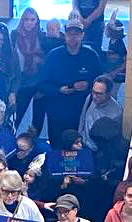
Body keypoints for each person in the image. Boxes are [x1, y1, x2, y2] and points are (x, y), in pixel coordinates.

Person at [39, 12, 102, 142]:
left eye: (77, 34)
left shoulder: (91, 56)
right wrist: (58, 90)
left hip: (81, 113)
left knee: (77, 150)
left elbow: (101, 82)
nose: (73, 37)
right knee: (56, 150)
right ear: (65, 36)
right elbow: (42, 84)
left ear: (82, 35)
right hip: (56, 113)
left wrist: (88, 85)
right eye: (70, 34)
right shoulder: (53, 56)